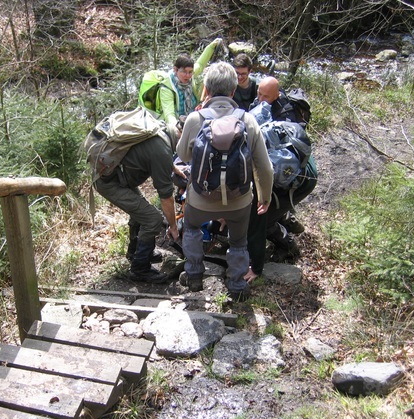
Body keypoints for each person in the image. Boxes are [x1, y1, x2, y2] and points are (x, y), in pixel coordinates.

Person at [176, 61, 273, 301]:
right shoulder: (248, 120)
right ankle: (237, 286)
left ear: (206, 90)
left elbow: (184, 155)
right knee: (239, 240)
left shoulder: (195, 119)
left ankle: (195, 274)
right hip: (239, 200)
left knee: (191, 227)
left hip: (201, 199)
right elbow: (264, 167)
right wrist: (265, 196)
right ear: (233, 91)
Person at [246, 76, 317, 281]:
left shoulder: (286, 115)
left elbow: (271, 169)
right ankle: (292, 223)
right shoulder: (262, 105)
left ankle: (289, 248)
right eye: (258, 93)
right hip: (288, 171)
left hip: (301, 177)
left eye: (264, 96)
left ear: (277, 94)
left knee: (264, 218)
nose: (259, 99)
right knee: (274, 205)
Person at [94, 133, 179, 284]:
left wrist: (172, 167)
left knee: (142, 212)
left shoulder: (159, 136)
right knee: (153, 219)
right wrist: (173, 226)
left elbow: (154, 154)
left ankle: (135, 253)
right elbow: (166, 197)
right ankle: (139, 269)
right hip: (110, 183)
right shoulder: (162, 149)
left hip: (115, 176)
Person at [158, 38, 223, 128]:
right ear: (175, 70)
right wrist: (177, 127)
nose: (188, 76)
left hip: (193, 118)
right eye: (184, 72)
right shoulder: (166, 88)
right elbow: (169, 114)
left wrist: (211, 47)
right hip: (178, 123)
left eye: (190, 72)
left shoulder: (190, 75)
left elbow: (200, 64)